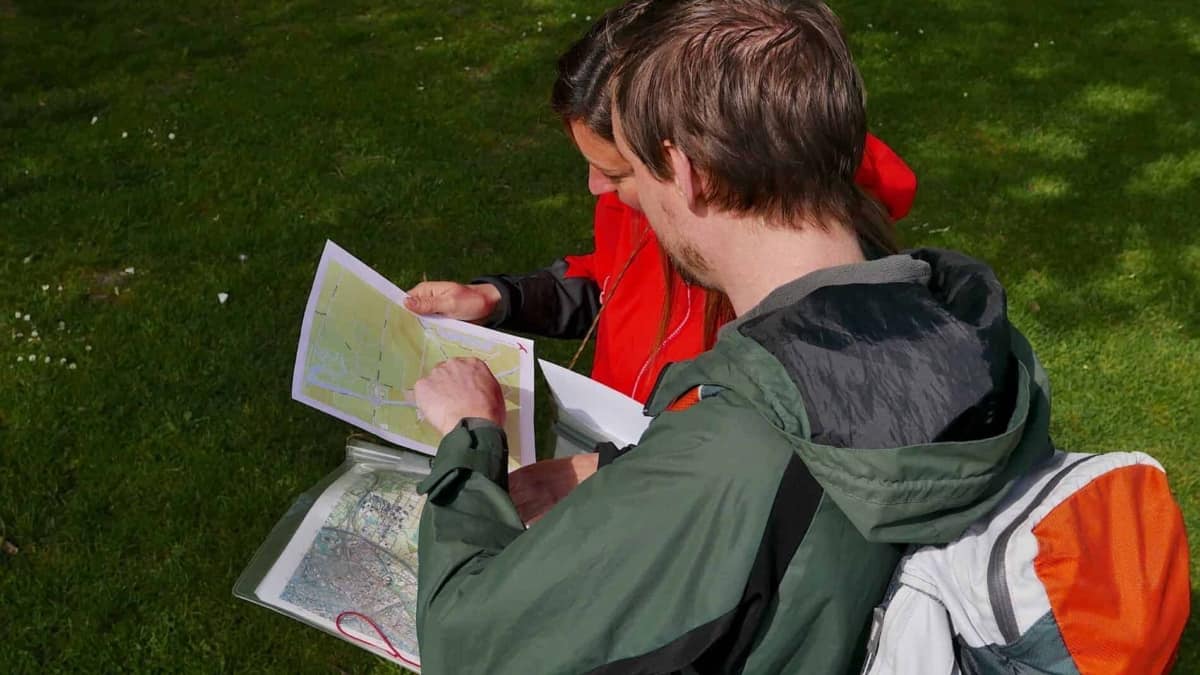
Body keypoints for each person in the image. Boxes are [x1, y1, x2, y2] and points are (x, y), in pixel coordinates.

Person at [410, 1, 1051, 672]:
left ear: (688, 172)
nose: (613, 192)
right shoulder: (971, 335)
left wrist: (472, 437)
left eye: (628, 166)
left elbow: (466, 644)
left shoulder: (730, 458)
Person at [403, 3, 917, 405]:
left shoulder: (784, 258)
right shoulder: (634, 201)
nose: (596, 188)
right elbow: (612, 285)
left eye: (617, 171)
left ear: (683, 168)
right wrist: (499, 299)